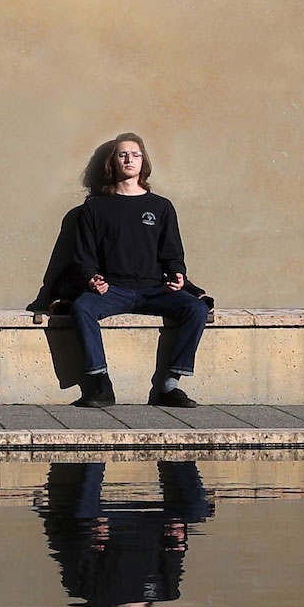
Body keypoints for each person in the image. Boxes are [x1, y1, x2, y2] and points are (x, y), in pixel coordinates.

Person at [67, 133, 207, 408]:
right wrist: (92, 279)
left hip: (155, 290)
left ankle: (171, 385)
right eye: (122, 154)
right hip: (113, 290)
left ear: (143, 162)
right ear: (113, 163)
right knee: (82, 307)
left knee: (196, 308)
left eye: (135, 154)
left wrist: (177, 276)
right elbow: (84, 258)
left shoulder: (161, 207)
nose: (129, 159)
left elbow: (172, 255)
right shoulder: (94, 208)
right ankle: (101, 385)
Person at [38, 461, 212, 607]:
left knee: (83, 515)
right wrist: (177, 537)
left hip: (109, 524)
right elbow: (174, 553)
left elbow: (77, 552)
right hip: (150, 525)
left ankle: (94, 456)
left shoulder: (89, 594)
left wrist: (93, 539)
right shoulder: (167, 592)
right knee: (197, 511)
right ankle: (177, 458)